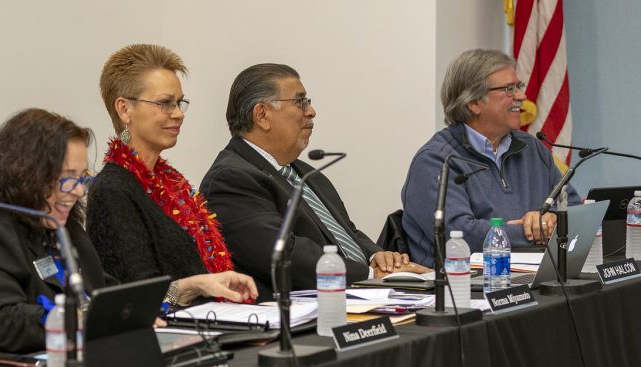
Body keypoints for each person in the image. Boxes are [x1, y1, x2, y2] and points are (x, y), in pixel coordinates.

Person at [0, 108, 256, 356]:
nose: (79, 192)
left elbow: (112, 298)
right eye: (68, 179)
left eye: (83, 178)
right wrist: (86, 320)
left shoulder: (65, 230)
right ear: (26, 174)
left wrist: (192, 287)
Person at [199, 64, 424, 299]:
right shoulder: (231, 179)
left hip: (355, 296)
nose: (311, 111)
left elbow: (346, 231)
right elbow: (285, 254)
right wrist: (369, 274)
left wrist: (376, 256)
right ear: (262, 115)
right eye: (300, 102)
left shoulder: (303, 172)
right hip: (296, 316)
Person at [87, 44, 249, 291]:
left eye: (179, 103)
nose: (178, 114)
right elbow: (141, 296)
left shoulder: (171, 183)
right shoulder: (112, 190)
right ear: (124, 109)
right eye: (165, 103)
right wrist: (190, 288)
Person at [401, 49, 580, 266]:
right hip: (462, 289)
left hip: (531, 279)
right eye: (508, 89)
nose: (521, 97)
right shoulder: (436, 161)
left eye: (519, 87)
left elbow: (571, 205)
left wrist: (552, 218)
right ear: (473, 102)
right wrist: (532, 230)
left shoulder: (531, 148)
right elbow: (460, 235)